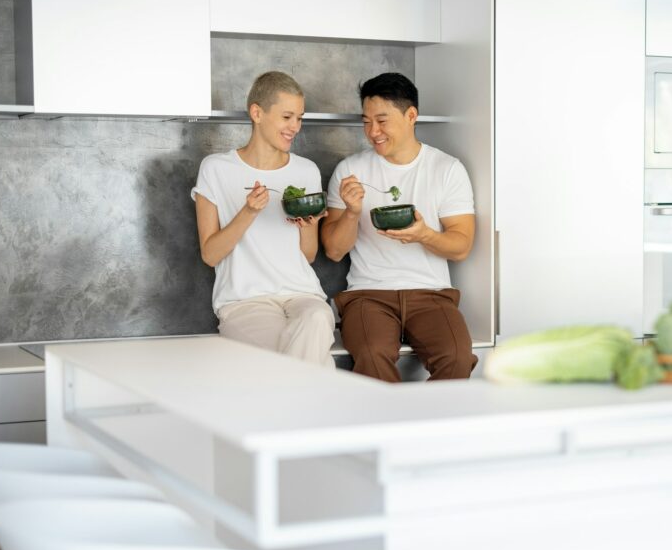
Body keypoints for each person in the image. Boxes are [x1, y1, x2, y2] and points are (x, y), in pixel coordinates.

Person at [321, 72, 477, 382]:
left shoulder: (447, 169)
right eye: (366, 122)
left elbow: (461, 246)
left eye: (381, 120)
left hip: (431, 295)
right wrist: (352, 213)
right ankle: (388, 430)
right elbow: (335, 250)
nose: (373, 132)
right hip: (368, 295)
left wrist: (425, 235)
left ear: (411, 116)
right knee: (372, 356)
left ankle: (429, 429)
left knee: (457, 357)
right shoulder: (350, 170)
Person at [191, 71, 335, 367]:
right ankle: (315, 402)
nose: (295, 127)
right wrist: (249, 212)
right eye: (287, 117)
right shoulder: (216, 169)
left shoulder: (306, 171)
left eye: (299, 117)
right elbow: (210, 253)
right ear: (257, 113)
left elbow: (307, 256)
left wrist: (308, 227)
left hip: (302, 294)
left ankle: (291, 405)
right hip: (244, 301)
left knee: (319, 317)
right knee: (301, 360)